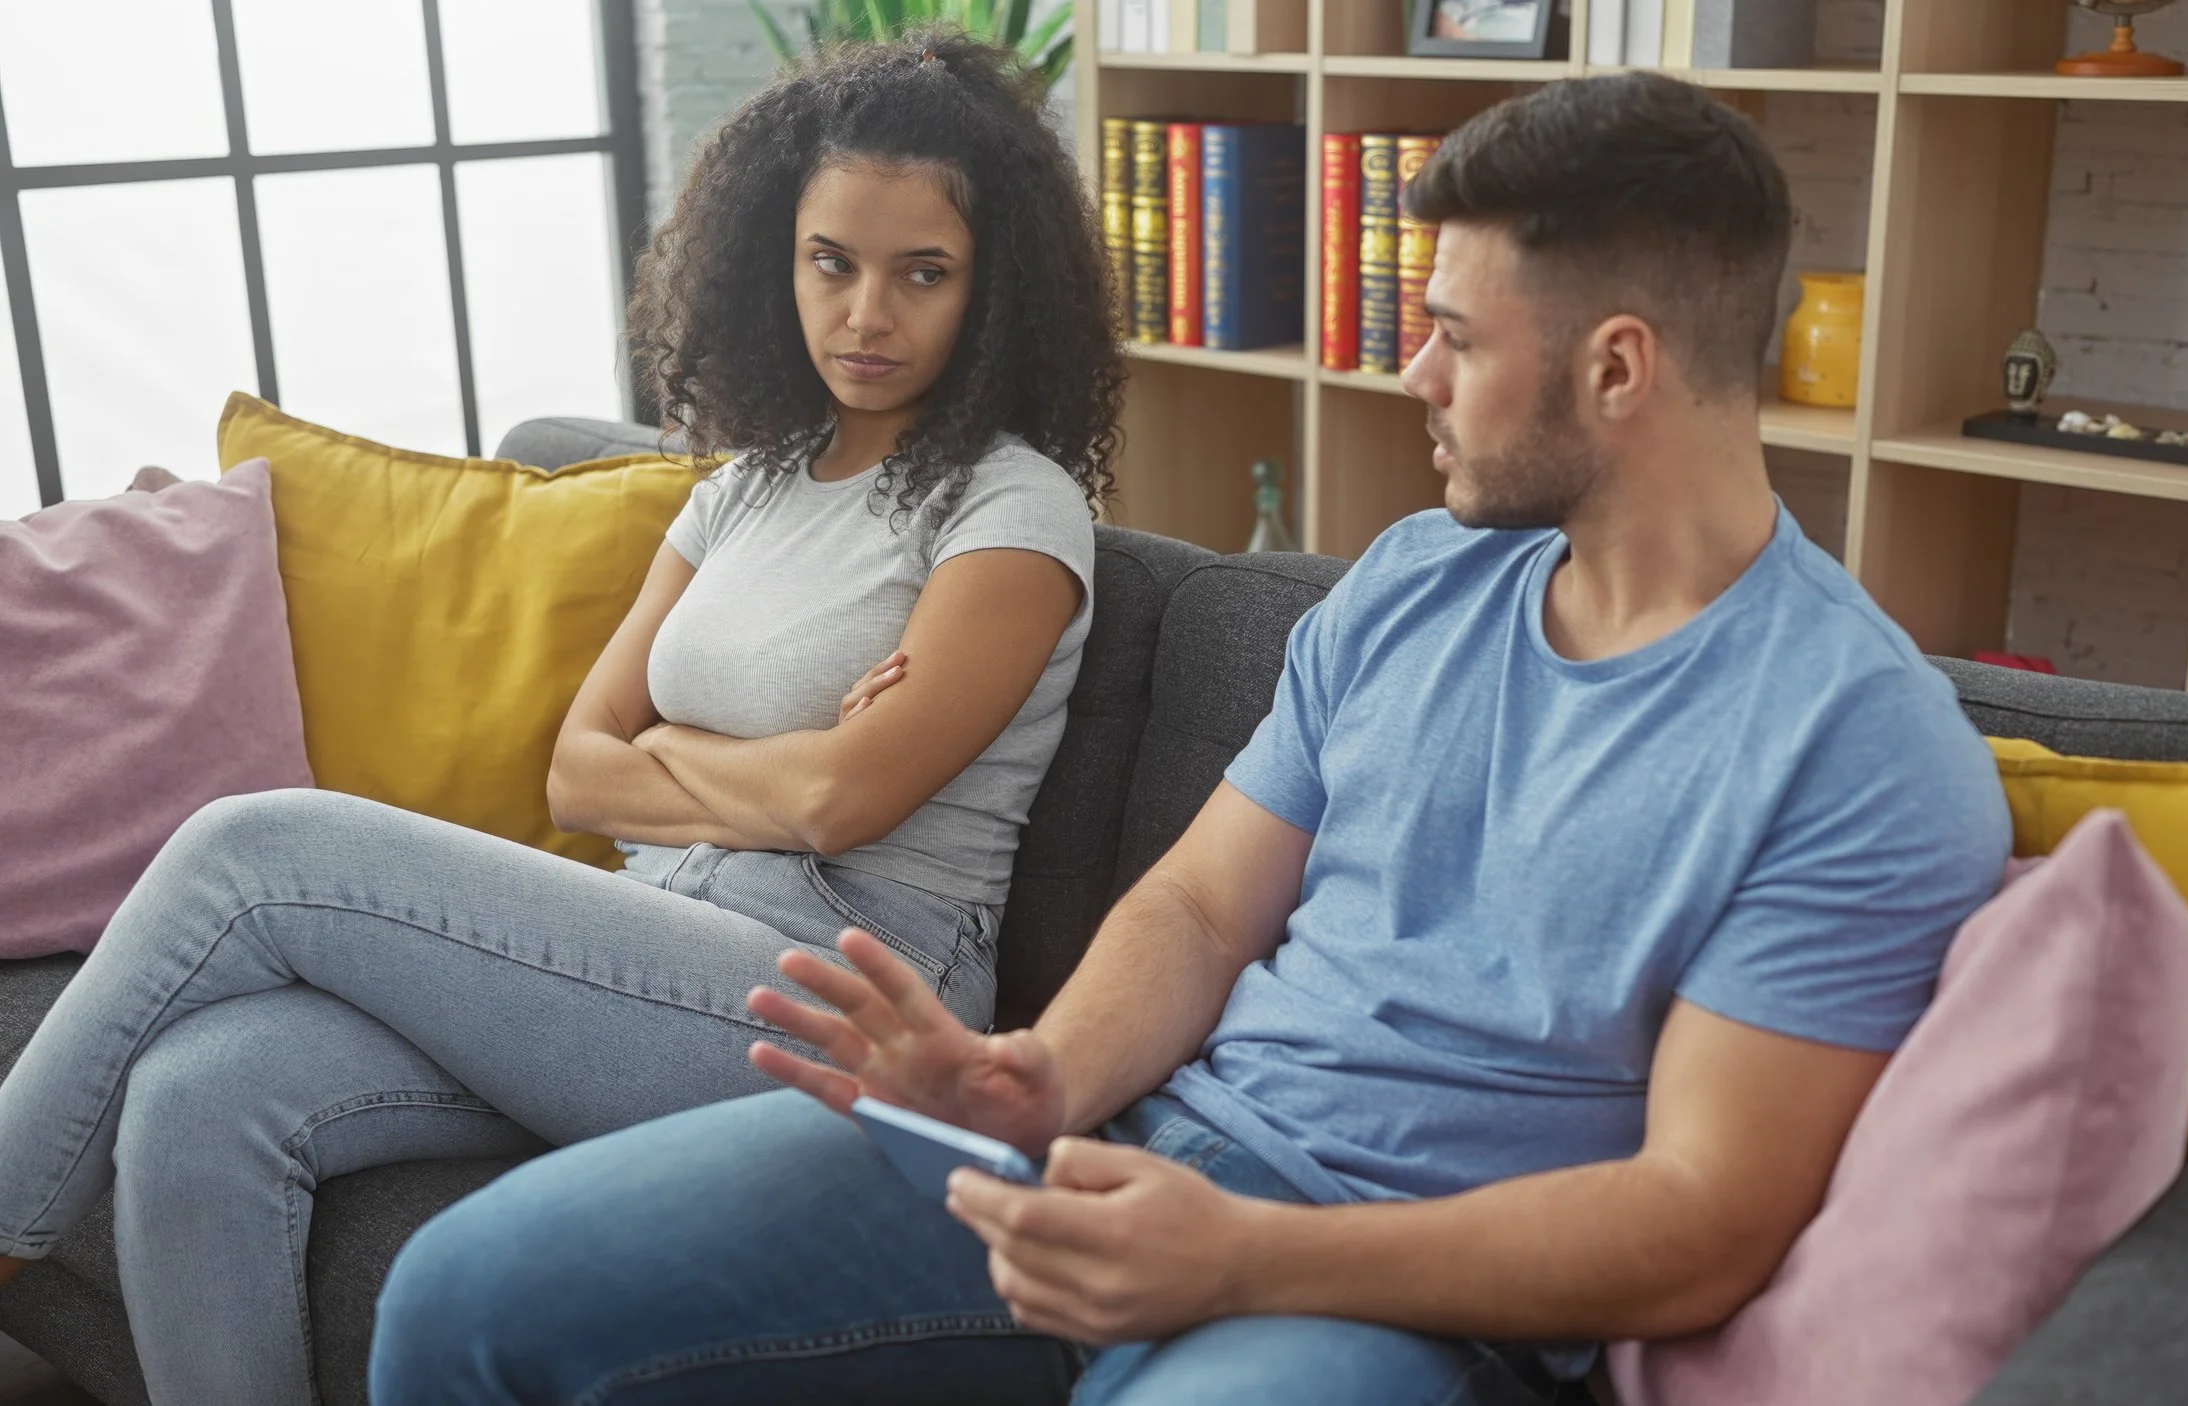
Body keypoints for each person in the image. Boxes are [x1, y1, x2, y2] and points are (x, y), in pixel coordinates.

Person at [367, 70, 2012, 1405]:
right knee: (461, 1294)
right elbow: (1202, 905)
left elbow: (1694, 1225)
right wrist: (1037, 1078)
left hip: (1390, 1293)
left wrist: (1239, 1257)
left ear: (1620, 367)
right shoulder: (1417, 585)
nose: (1412, 370)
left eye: (1455, 332)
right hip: (1128, 1158)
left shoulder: (1851, 745)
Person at [0, 33, 1117, 1406]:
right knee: (200, 1092)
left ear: (994, 292)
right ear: (779, 256)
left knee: (253, 848)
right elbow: (581, 769)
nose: (865, 314)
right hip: (651, 940)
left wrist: (693, 754)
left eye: (921, 273)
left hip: (838, 993)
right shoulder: (745, 488)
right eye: (833, 261)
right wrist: (758, 758)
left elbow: (845, 807)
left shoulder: (1015, 507)